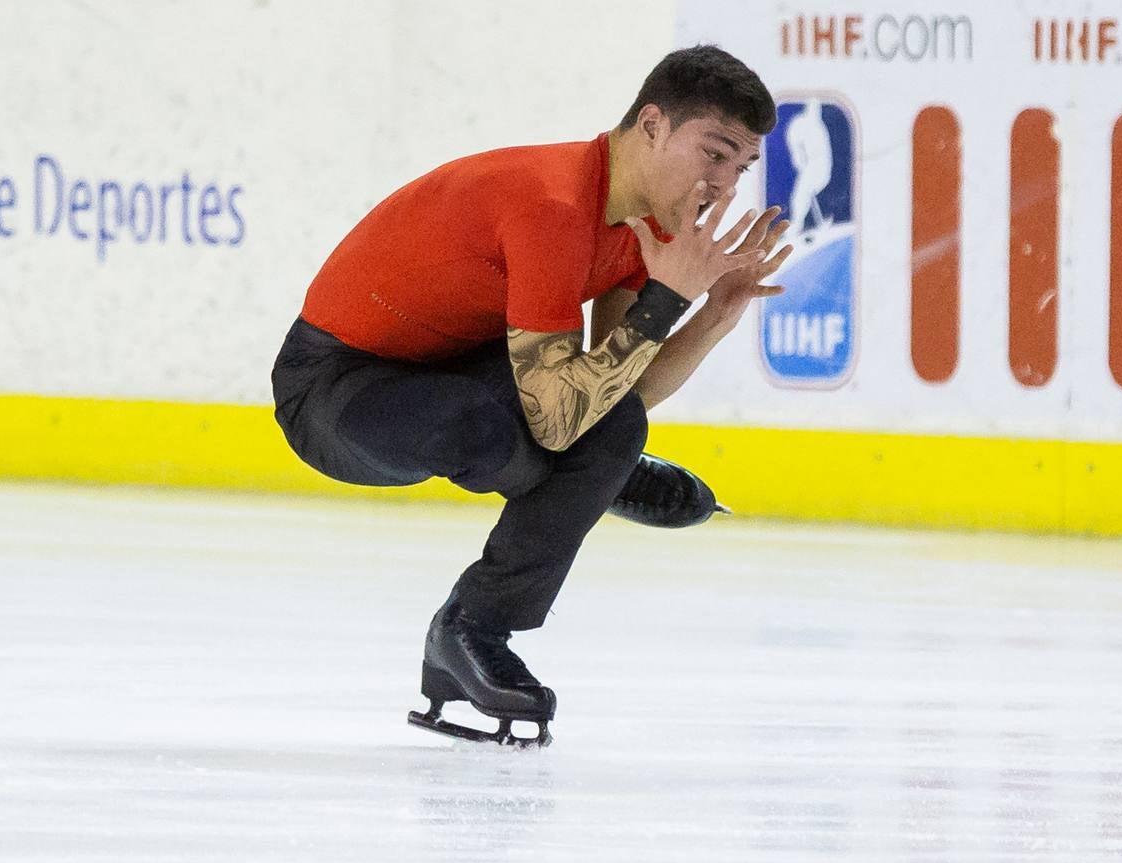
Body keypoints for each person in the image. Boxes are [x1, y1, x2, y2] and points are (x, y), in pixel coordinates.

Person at [269, 46, 792, 747]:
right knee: (506, 433)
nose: (723, 186)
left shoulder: (651, 226)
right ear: (651, 125)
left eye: (740, 169)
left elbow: (619, 390)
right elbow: (553, 420)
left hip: (462, 369)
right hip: (336, 390)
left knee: (610, 430)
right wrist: (665, 299)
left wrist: (716, 311)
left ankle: (471, 630)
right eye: (714, 153)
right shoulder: (552, 205)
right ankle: (596, 484)